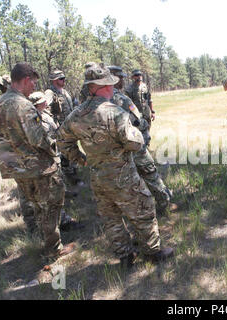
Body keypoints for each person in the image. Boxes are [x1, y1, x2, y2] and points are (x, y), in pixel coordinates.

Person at [57, 64, 173, 267]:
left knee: (111, 219)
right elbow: (135, 143)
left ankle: (125, 256)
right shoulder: (115, 112)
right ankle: (153, 252)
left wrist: (81, 159)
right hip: (123, 176)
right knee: (143, 211)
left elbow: (62, 141)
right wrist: (134, 132)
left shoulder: (76, 114)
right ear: (104, 86)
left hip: (98, 177)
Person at [0, 63, 74, 258]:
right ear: (26, 79)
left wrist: (12, 165)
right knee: (50, 206)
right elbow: (38, 139)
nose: (35, 86)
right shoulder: (23, 105)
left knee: (35, 206)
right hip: (37, 167)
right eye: (34, 82)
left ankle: (42, 242)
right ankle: (53, 250)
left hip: (16, 168)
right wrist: (55, 148)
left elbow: (0, 139)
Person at [108, 65, 176, 215]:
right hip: (132, 142)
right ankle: (164, 200)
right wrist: (144, 131)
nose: (123, 81)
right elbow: (137, 121)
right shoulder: (121, 99)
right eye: (121, 78)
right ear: (114, 79)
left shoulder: (97, 100)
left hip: (112, 150)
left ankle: (128, 209)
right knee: (149, 170)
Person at [28, 91, 84, 231]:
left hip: (54, 155)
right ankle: (62, 222)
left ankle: (60, 219)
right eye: (43, 101)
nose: (46, 102)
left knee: (57, 188)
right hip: (47, 160)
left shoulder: (45, 114)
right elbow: (42, 140)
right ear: (37, 104)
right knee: (52, 193)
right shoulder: (36, 118)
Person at [125, 69, 155, 137]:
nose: (139, 76)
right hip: (136, 115)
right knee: (137, 132)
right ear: (133, 77)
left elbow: (149, 100)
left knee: (147, 130)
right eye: (136, 75)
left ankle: (147, 145)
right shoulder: (129, 89)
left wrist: (152, 112)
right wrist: (134, 112)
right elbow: (128, 103)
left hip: (146, 113)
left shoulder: (145, 86)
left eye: (140, 75)